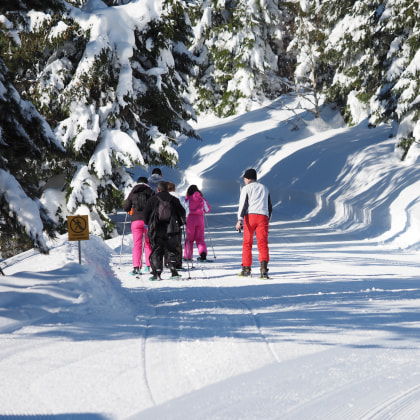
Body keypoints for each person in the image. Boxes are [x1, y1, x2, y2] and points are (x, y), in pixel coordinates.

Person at [143, 181, 186, 280]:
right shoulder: (174, 200)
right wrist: (179, 224)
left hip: (156, 229)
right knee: (171, 249)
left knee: (157, 250)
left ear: (158, 189)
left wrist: (149, 223)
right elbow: (182, 212)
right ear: (168, 189)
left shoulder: (152, 199)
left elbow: (145, 214)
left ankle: (157, 273)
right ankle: (174, 271)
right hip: (171, 229)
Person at [236, 168, 272, 279]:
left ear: (247, 178)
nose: (244, 180)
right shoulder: (265, 188)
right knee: (263, 243)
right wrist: (267, 220)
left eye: (244, 178)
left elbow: (243, 204)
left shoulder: (246, 188)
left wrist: (239, 220)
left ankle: (246, 269)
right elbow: (269, 207)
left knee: (247, 243)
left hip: (250, 217)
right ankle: (264, 270)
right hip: (263, 217)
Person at [123, 176, 155, 275]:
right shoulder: (150, 192)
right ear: (146, 183)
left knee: (137, 244)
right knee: (148, 243)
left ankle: (137, 267)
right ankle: (149, 266)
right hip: (148, 221)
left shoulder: (133, 192)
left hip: (136, 221)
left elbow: (126, 207)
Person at [184, 185, 211, 261]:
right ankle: (203, 253)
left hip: (190, 219)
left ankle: (188, 256)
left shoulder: (188, 199)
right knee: (200, 238)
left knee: (189, 239)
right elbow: (207, 209)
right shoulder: (202, 199)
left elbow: (185, 210)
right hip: (200, 219)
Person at [167, 182, 185, 269]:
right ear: (174, 188)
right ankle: (178, 262)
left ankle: (167, 262)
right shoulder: (179, 197)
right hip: (177, 223)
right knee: (178, 243)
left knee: (166, 243)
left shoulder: (164, 197)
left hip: (166, 223)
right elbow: (184, 210)